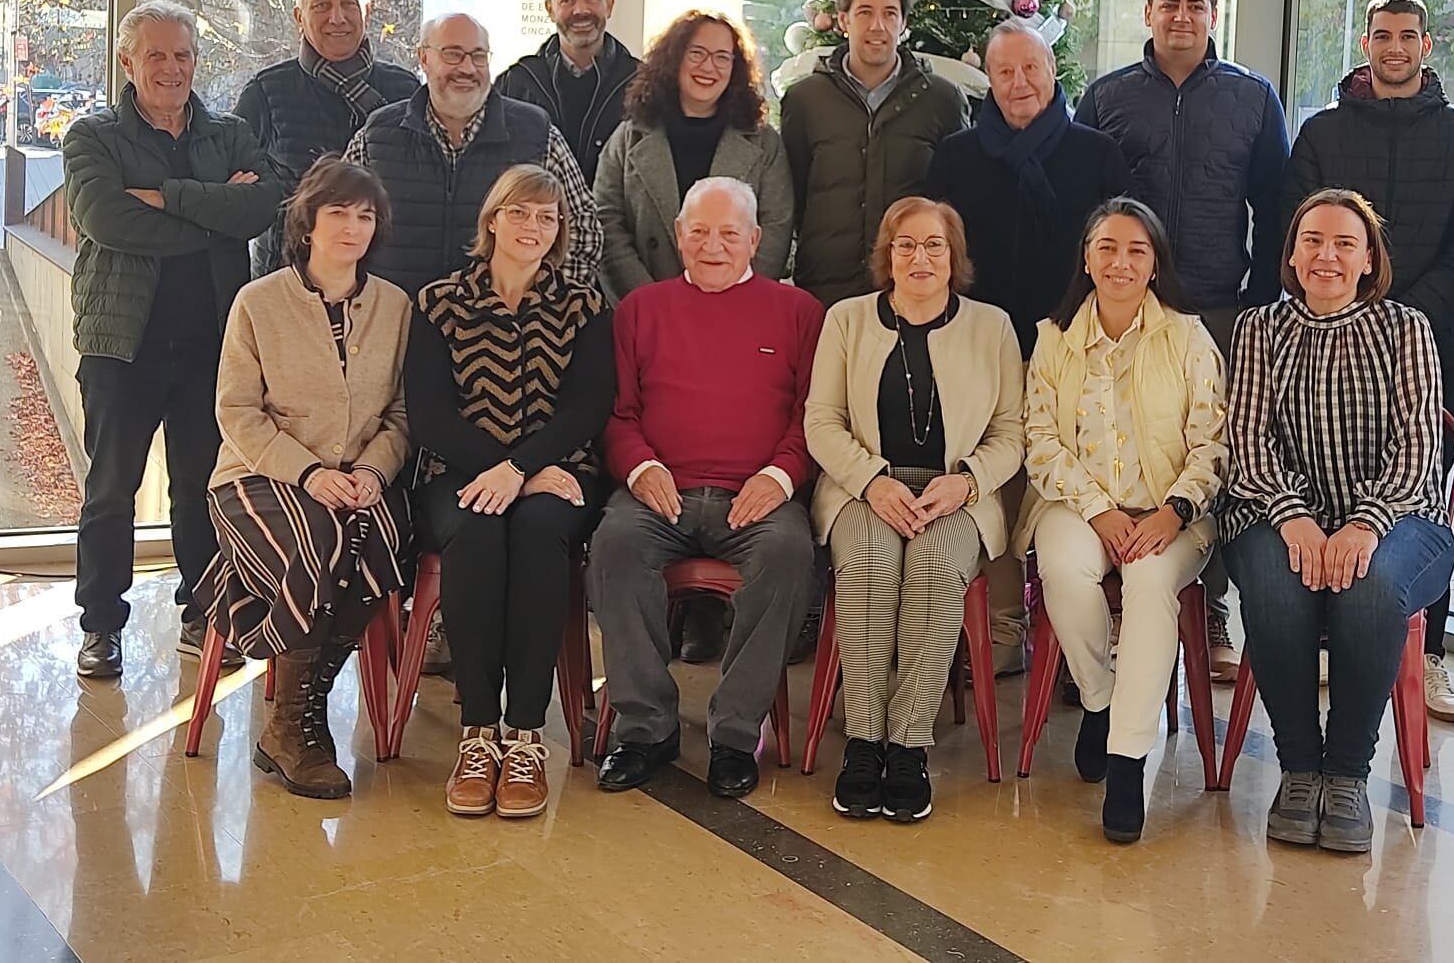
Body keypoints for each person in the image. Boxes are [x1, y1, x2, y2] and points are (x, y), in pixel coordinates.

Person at [1279, 0, 1454, 722]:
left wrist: (1398, 318)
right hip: (1318, 338)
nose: (1394, 47)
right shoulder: (1323, 134)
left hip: (1428, 346)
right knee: (1316, 479)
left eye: (1407, 35)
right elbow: (1300, 234)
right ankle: (1320, 644)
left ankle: (1427, 654)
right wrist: (1344, 307)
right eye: (1381, 35)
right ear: (1364, 45)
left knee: (1419, 493)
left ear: (1427, 46)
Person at [1220, 189, 1454, 855]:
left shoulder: (1404, 329)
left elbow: (1416, 451)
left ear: (1369, 258)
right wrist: (1293, 518)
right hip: (1272, 508)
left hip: (1402, 517)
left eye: (1345, 243)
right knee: (1273, 586)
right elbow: (1248, 441)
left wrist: (1363, 526)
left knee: (1371, 587)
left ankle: (1348, 772)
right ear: (1291, 253)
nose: (1327, 255)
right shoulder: (1259, 329)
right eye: (1313, 240)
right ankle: (1299, 768)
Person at [1077, 0, 1289, 682]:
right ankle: (1110, 610)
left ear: (1213, 16)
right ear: (1147, 13)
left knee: (1212, 457)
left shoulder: (1253, 98)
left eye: (1196, 5)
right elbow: (1089, 208)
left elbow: (1277, 206)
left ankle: (1213, 607)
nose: (1182, 17)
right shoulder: (1106, 97)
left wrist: (1256, 300)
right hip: (1126, 309)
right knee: (1121, 441)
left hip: (1218, 308)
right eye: (1169, 4)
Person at [63, 0, 282, 679]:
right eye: (155, 55)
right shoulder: (92, 136)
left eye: (182, 55)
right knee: (110, 490)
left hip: (211, 345)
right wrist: (212, 210)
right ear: (128, 62)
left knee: (201, 487)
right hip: (121, 344)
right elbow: (107, 221)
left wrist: (165, 194)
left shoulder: (230, 133)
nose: (171, 67)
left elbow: (261, 206)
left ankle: (206, 612)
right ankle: (101, 625)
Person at [591, 178, 824, 800]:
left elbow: (815, 413)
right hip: (658, 493)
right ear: (677, 236)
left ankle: (735, 734)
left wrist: (779, 476)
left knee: (787, 554)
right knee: (614, 544)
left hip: (758, 495)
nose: (713, 246)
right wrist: (640, 467)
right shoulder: (640, 310)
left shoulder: (798, 312)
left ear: (756, 239)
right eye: (699, 231)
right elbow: (616, 413)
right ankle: (645, 729)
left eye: (728, 233)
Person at [1015, 198, 1228, 845]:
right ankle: (1100, 700)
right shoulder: (1054, 338)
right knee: (1065, 567)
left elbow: (1214, 443)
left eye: (1136, 250)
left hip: (1173, 515)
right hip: (1081, 505)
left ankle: (1128, 760)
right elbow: (1039, 439)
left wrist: (1176, 509)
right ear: (1087, 258)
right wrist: (1099, 511)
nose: (1120, 261)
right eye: (1107, 247)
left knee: (1146, 584)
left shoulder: (1189, 336)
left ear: (1155, 264)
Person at [804, 197, 1023, 824]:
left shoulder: (993, 326)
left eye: (934, 245)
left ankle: (909, 745)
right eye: (906, 245)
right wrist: (871, 482)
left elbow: (1013, 432)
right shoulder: (846, 320)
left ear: (954, 257)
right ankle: (865, 742)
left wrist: (967, 484)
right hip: (861, 487)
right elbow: (821, 422)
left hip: (955, 489)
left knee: (930, 561)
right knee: (871, 554)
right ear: (887, 256)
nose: (920, 257)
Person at [406, 165, 615, 820]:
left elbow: (586, 408)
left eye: (547, 218)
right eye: (520, 213)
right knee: (475, 532)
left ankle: (525, 735)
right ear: (492, 219)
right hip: (457, 470)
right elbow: (431, 415)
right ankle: (477, 734)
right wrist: (501, 468)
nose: (532, 227)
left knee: (534, 531)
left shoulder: (583, 304)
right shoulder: (439, 301)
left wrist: (520, 468)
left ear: (559, 233)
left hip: (557, 469)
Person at [200, 157, 412, 801]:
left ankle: (298, 713)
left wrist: (375, 470)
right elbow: (236, 411)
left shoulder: (395, 306)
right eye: (338, 214)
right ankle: (294, 726)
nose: (352, 228)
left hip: (360, 479)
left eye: (365, 216)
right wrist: (311, 472)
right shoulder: (258, 302)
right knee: (320, 537)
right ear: (308, 223)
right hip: (258, 475)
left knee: (382, 541)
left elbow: (402, 414)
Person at [926, 18, 1127, 675]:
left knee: (1072, 484)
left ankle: (1076, 635)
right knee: (997, 484)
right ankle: (1006, 626)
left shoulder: (1095, 155)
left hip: (1072, 349)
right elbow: (939, 257)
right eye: (1005, 71)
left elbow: (1121, 256)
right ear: (989, 77)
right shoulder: (955, 156)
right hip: (977, 349)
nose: (1018, 84)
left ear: (1052, 72)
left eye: (1030, 69)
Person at [345, 12, 601, 296]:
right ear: (424, 59)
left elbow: (583, 231)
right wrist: (363, 306)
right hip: (396, 325)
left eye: (478, 56)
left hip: (502, 332)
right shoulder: (377, 136)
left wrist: (542, 308)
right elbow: (338, 227)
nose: (467, 68)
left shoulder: (537, 133)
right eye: (453, 54)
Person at [781, 0, 969, 306]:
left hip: (912, 291)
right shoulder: (805, 100)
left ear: (904, 24)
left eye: (890, 13)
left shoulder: (942, 100)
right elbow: (792, 196)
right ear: (843, 21)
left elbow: (955, 203)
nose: (877, 26)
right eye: (864, 12)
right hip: (825, 290)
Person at [232, 0, 419, 276]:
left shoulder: (405, 91)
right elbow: (237, 194)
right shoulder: (266, 93)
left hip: (383, 278)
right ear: (299, 18)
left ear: (367, 11)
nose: (337, 17)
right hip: (289, 281)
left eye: (349, 4)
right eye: (321, 5)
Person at [595, 10, 792, 301]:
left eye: (722, 57)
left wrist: (736, 294)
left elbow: (776, 225)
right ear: (674, 59)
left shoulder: (763, 143)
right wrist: (650, 300)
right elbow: (606, 220)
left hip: (733, 311)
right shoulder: (629, 137)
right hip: (647, 310)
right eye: (696, 53)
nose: (708, 66)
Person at [495, 0, 640, 183]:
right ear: (549, 9)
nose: (580, 10)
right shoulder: (516, 83)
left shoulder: (642, 84)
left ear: (609, 5)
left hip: (616, 219)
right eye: (567, 0)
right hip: (536, 218)